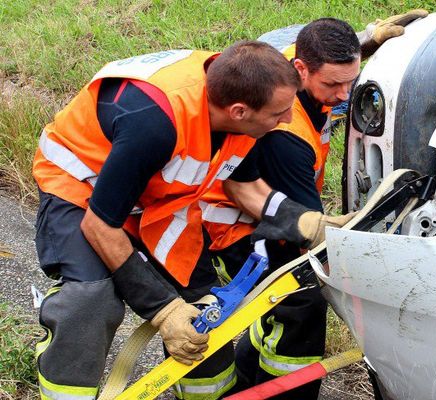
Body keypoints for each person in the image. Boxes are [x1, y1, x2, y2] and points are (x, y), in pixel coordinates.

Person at [32, 40, 350, 400]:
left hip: (155, 198)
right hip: (83, 190)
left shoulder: (237, 103)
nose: (287, 120)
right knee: (90, 300)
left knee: (202, 314)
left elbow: (243, 186)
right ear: (239, 111)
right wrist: (164, 311)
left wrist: (309, 224)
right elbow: (100, 226)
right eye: (279, 113)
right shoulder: (153, 125)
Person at [204, 11, 427, 399]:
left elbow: (314, 58)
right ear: (301, 70)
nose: (344, 96)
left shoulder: (292, 67)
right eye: (333, 84)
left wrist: (366, 41)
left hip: (271, 205)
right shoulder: (283, 139)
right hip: (236, 225)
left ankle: (249, 373)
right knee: (302, 299)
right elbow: (305, 233)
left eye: (350, 81)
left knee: (278, 312)